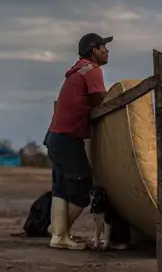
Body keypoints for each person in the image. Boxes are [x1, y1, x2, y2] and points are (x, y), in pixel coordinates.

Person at [44, 32, 111, 250]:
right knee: (83, 186)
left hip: (54, 137)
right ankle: (60, 234)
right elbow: (102, 101)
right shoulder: (92, 70)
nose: (107, 51)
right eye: (103, 47)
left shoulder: (77, 70)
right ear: (94, 49)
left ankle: (58, 234)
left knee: (61, 188)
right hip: (67, 137)